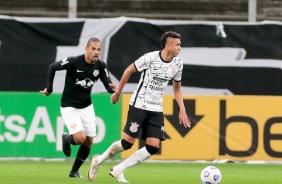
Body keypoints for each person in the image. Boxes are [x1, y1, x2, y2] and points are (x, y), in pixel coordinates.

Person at [88, 31, 191, 182]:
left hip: (156, 108)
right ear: (168, 46)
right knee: (127, 143)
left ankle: (118, 169)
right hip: (140, 104)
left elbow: (177, 88)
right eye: (178, 45)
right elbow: (129, 69)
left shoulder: (178, 63)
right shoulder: (150, 58)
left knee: (153, 146)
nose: (180, 48)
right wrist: (118, 93)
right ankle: (98, 160)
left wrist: (182, 109)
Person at [40, 37, 116, 178]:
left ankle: (74, 171)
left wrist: (113, 89)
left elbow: (108, 85)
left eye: (99, 49)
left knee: (89, 141)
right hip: (69, 106)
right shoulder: (74, 61)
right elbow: (52, 67)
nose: (96, 52)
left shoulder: (100, 66)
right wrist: (49, 89)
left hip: (86, 106)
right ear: (86, 49)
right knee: (80, 138)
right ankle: (66, 138)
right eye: (93, 49)